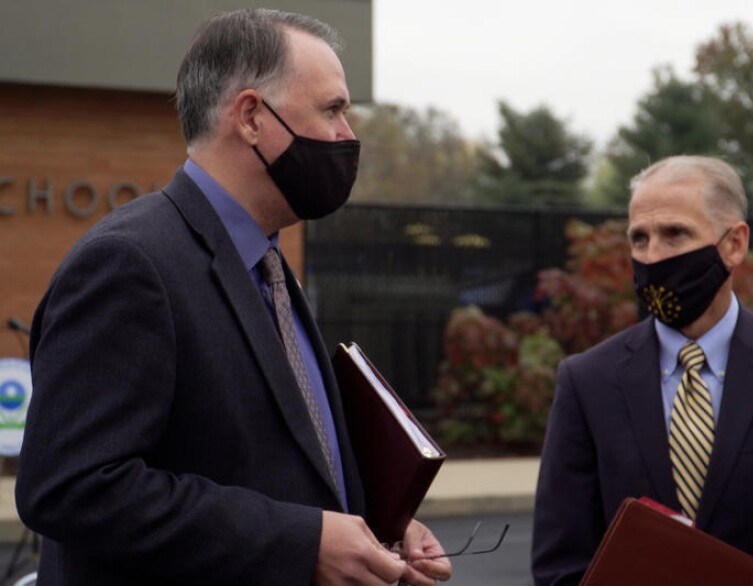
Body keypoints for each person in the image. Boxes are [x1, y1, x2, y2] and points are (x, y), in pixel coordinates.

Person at [15, 9, 452, 586]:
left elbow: (277, 462)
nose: (349, 135)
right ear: (251, 117)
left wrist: (378, 530)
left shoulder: (270, 267)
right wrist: (302, 543)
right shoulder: (130, 263)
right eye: (333, 109)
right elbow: (70, 486)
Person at [531, 155, 753, 585]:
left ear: (734, 244)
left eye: (675, 234)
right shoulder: (587, 382)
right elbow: (560, 568)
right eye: (639, 238)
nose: (653, 257)